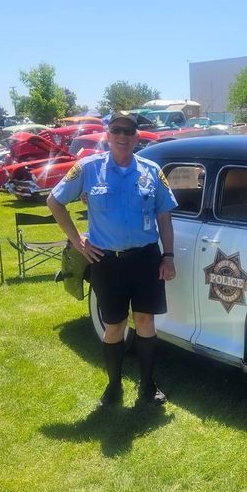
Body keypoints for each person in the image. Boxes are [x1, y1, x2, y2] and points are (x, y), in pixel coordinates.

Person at [47, 111, 177, 408]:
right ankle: (114, 386)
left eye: (129, 131)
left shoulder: (151, 170)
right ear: (108, 134)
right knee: (115, 325)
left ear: (136, 137)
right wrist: (77, 241)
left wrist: (168, 256)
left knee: (145, 321)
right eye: (117, 129)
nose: (122, 136)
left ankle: (148, 385)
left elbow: (164, 216)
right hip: (108, 262)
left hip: (146, 259)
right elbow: (54, 201)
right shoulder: (87, 168)